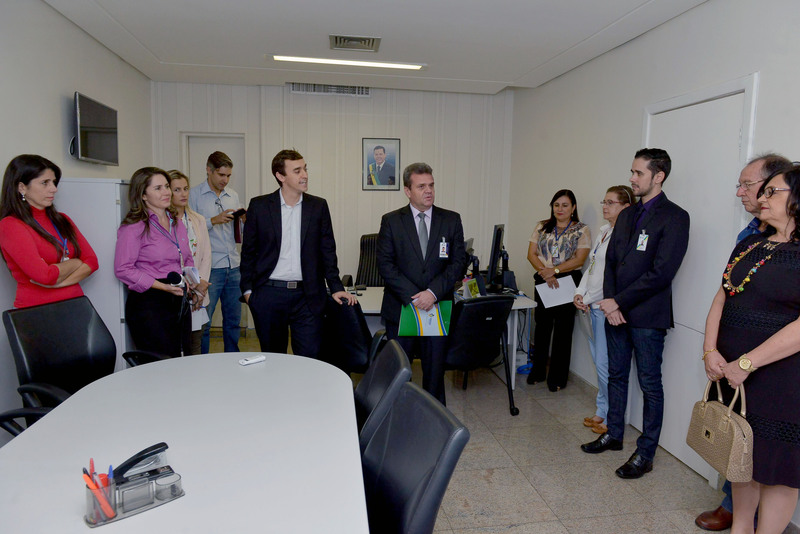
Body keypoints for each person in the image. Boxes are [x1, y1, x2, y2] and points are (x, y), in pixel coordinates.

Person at [700, 164, 800, 534]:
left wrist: (747, 362)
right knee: (742, 461)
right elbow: (722, 296)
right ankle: (740, 528)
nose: (762, 197)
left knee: (778, 470)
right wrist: (710, 350)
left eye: (772, 191)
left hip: (781, 380)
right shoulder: (750, 244)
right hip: (735, 376)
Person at [581, 148, 690, 480]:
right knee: (616, 376)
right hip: (616, 312)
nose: (632, 178)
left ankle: (646, 453)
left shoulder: (675, 217)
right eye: (632, 171)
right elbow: (611, 263)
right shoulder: (627, 215)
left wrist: (618, 302)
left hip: (647, 317)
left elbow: (662, 272)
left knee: (649, 384)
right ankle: (614, 434)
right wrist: (610, 300)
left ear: (659, 176)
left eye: (639, 173)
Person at [240, 149, 355, 358]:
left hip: (308, 296)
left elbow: (328, 251)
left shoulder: (318, 206)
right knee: (274, 361)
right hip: (268, 294)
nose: (305, 175)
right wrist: (248, 292)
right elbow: (248, 252)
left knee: (310, 359)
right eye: (297, 170)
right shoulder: (259, 206)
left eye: (305, 169)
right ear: (280, 176)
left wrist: (336, 287)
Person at [376, 162, 466, 405]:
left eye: (431, 185)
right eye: (421, 186)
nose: (429, 191)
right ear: (407, 191)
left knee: (435, 374)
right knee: (399, 373)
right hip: (402, 308)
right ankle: (398, 417)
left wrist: (432, 293)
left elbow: (458, 262)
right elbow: (385, 264)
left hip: (437, 308)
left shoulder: (451, 220)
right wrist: (416, 297)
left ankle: (434, 419)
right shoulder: (391, 221)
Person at [115, 167, 194, 357]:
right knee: (159, 361)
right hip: (150, 301)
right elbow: (123, 269)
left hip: (178, 296)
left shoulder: (176, 222)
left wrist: (191, 279)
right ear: (143, 195)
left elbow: (186, 256)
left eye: (166, 186)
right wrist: (162, 287)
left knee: (184, 357)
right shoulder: (134, 227)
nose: (166, 192)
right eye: (158, 188)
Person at [0, 154, 98, 308]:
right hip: (38, 311)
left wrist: (59, 284)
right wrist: (76, 262)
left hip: (76, 306)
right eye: (45, 183)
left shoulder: (62, 219)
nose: (54, 189)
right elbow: (44, 277)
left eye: (53, 182)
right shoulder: (10, 225)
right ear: (22, 187)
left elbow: (92, 262)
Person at [574, 185, 633, 433]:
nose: (605, 207)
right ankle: (601, 410)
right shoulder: (604, 231)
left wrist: (588, 298)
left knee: (605, 365)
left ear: (626, 207)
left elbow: (610, 280)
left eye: (611, 202)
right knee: (599, 363)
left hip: (603, 307)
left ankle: (611, 416)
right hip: (591, 306)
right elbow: (592, 269)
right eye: (604, 202)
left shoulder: (625, 236)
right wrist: (579, 293)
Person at [526, 189, 591, 392]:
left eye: (565, 205)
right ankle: (538, 371)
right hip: (543, 279)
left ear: (573, 208)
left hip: (567, 281)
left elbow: (579, 259)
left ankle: (558, 377)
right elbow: (531, 254)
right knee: (542, 327)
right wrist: (546, 273)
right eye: (556, 205)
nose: (560, 209)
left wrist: (554, 271)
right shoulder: (542, 227)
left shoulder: (581, 229)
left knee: (563, 331)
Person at [189, 151, 242, 353]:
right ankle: (203, 363)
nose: (225, 180)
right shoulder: (193, 195)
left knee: (233, 321)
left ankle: (232, 359)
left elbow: (237, 230)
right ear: (209, 170)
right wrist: (213, 221)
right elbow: (189, 229)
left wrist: (244, 222)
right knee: (205, 322)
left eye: (228, 176)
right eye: (221, 175)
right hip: (209, 268)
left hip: (233, 265)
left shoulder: (233, 195)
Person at [168, 170, 212, 356]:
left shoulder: (198, 219)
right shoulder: (164, 222)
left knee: (195, 342)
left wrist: (199, 285)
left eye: (186, 189)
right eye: (177, 190)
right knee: (174, 345)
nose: (183, 194)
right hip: (176, 291)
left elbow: (206, 255)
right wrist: (189, 286)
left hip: (198, 290)